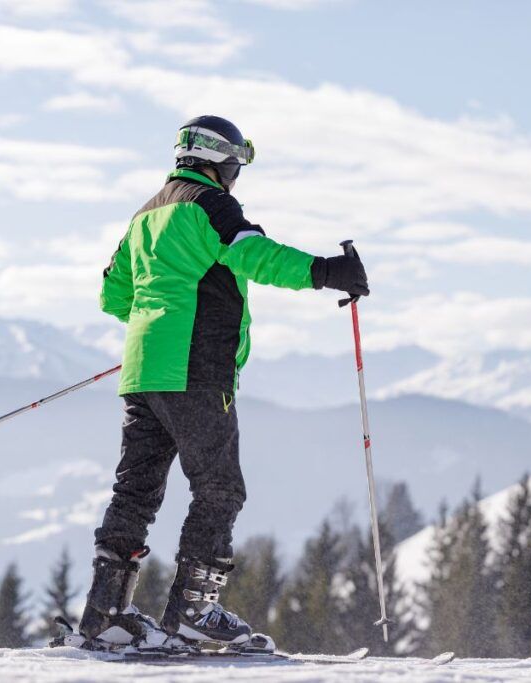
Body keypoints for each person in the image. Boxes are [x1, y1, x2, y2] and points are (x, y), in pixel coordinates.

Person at [79, 115, 369, 650]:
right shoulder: (212, 205)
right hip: (195, 368)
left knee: (135, 491)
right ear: (222, 160)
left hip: (144, 371)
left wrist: (156, 323)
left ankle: (105, 615)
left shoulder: (147, 213)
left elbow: (113, 295)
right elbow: (255, 255)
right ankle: (193, 611)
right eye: (237, 163)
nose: (237, 175)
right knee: (219, 487)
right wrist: (328, 271)